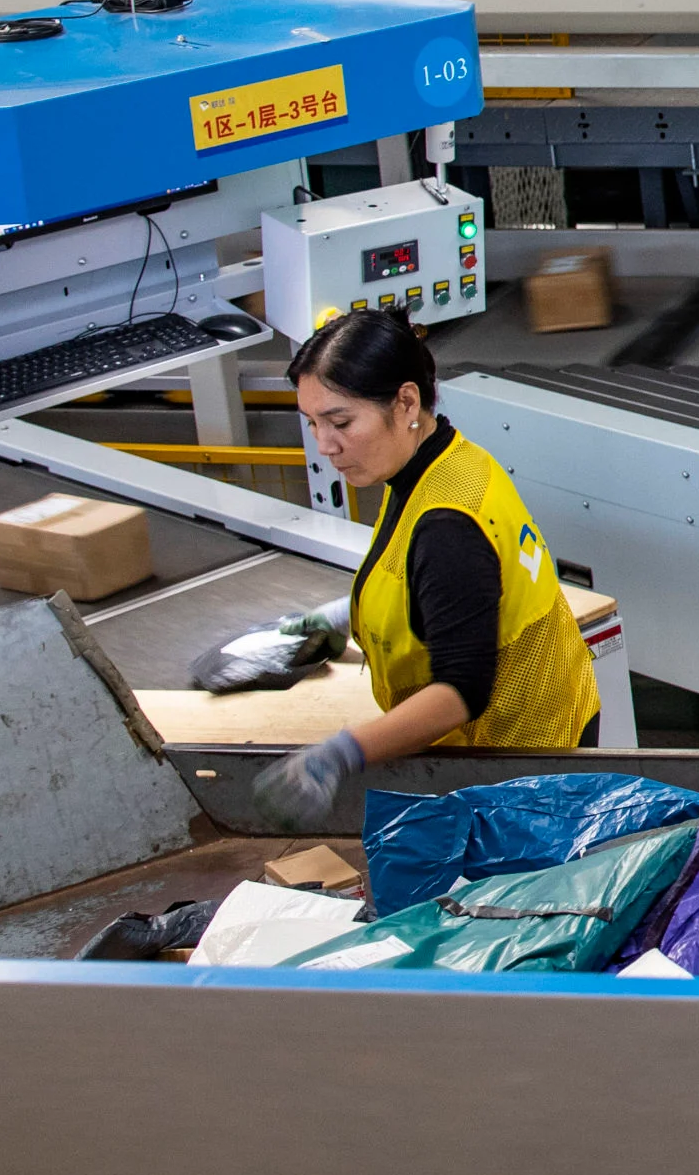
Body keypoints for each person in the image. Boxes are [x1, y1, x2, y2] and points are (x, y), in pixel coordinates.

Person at [250, 307, 599, 823]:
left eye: (341, 422)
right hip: (554, 717)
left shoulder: (446, 524)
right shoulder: (446, 459)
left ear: (406, 402)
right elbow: (429, 586)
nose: (324, 445)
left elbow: (459, 693)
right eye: (313, 423)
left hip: (519, 769)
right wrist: (344, 618)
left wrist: (339, 755)